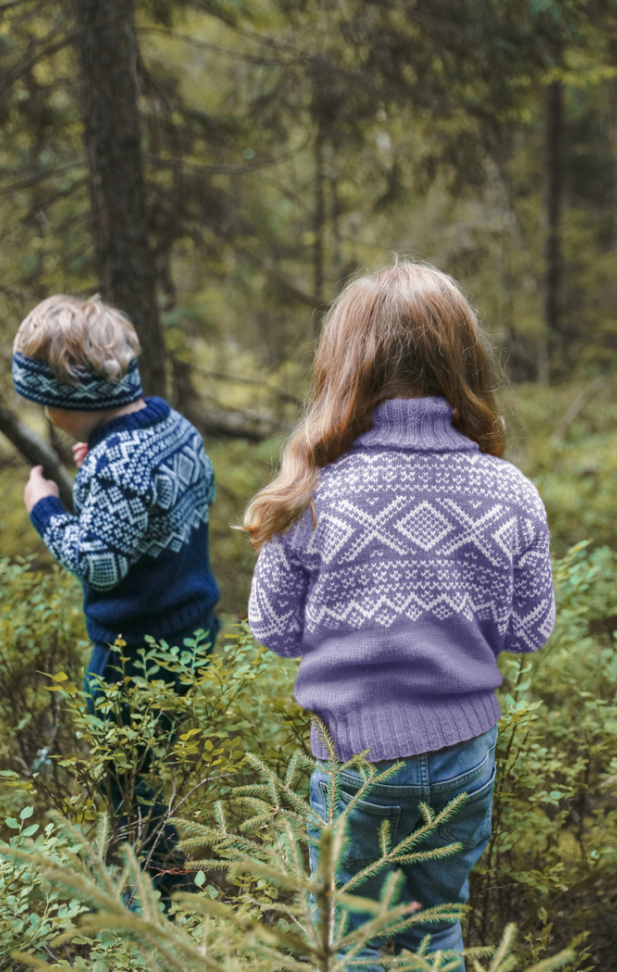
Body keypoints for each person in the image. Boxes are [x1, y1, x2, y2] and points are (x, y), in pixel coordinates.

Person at [245, 262, 555, 970]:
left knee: (349, 938)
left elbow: (273, 630)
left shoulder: (310, 492)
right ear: (463, 360)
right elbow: (529, 629)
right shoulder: (509, 490)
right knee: (435, 930)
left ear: (342, 366)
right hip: (463, 756)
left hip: (353, 761)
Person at [13, 293, 220, 900]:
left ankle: (158, 895)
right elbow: (179, 494)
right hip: (190, 628)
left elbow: (100, 564)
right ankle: (164, 879)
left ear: (64, 401)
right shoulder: (170, 425)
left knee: (124, 774)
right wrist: (101, 469)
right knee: (151, 761)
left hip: (135, 649)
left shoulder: (113, 465)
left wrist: (45, 509)